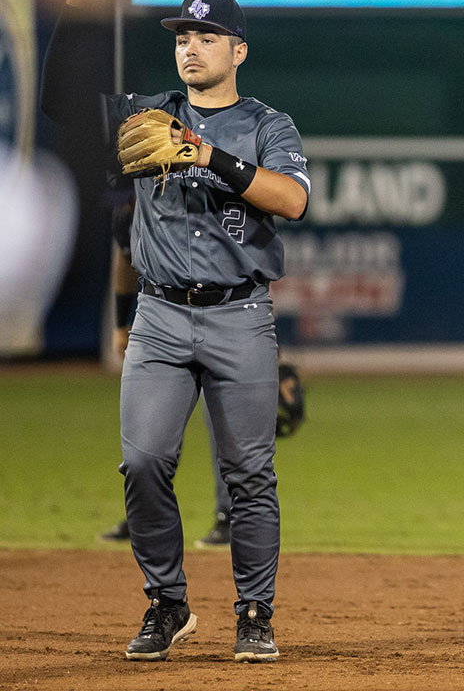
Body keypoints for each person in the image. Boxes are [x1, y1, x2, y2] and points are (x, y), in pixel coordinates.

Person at [42, 0, 310, 662]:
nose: (191, 48)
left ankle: (254, 612)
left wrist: (207, 156)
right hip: (160, 317)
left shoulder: (267, 124)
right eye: (183, 38)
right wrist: (76, 12)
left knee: (249, 474)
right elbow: (62, 108)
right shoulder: (146, 115)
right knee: (142, 462)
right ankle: (167, 602)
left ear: (238, 50)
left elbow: (293, 198)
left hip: (239, 315)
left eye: (207, 37)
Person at [99, 194, 308, 548]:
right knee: (152, 435)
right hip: (164, 322)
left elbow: (246, 282)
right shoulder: (133, 208)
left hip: (233, 319)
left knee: (224, 422)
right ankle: (145, 516)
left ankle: (229, 515)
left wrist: (272, 355)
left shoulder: (211, 195)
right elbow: (125, 257)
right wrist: (121, 324)